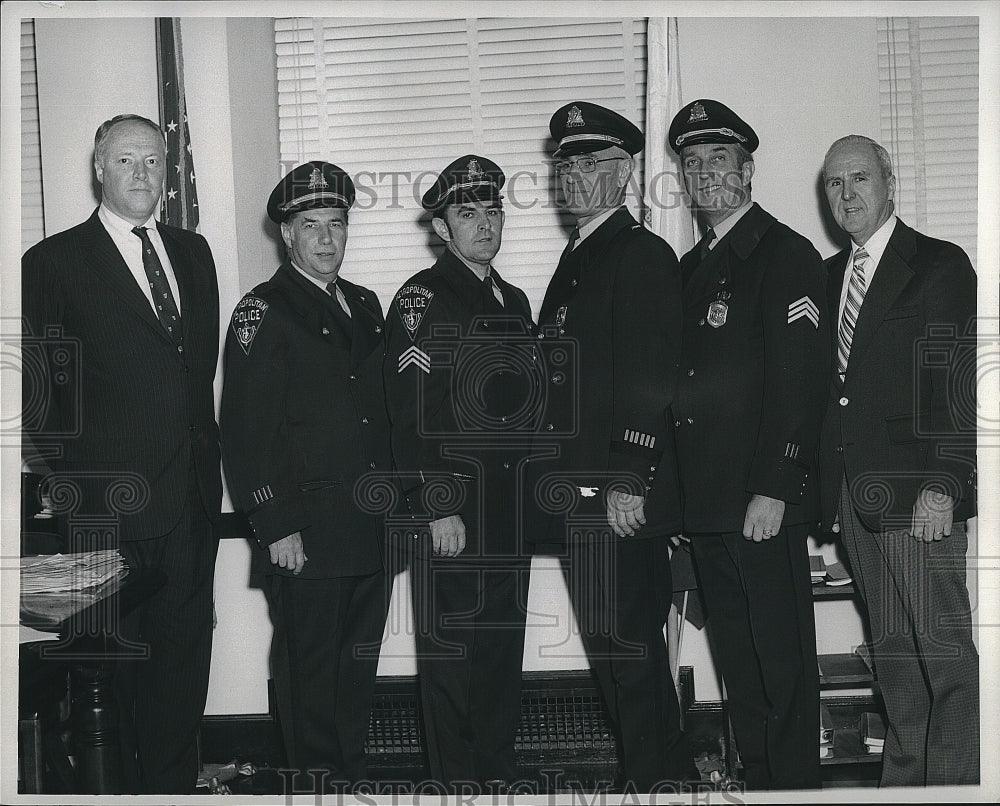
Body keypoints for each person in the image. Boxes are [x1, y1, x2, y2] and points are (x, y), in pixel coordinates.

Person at [21, 113, 223, 793]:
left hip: (192, 504)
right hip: (112, 514)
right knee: (120, 680)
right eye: (127, 160)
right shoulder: (53, 261)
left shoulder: (193, 253)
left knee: (183, 669)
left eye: (154, 161)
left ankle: (173, 788)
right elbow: (42, 397)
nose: (143, 174)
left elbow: (195, 377)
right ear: (99, 170)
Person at [667, 99, 829, 790]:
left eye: (719, 160)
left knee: (781, 661)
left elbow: (800, 384)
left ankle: (792, 786)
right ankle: (760, 780)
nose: (705, 174)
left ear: (748, 169)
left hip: (758, 500)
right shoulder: (688, 265)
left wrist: (775, 485)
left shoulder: (784, 253)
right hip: (706, 504)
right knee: (737, 657)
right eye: (693, 163)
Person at [527, 101, 688, 791]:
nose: (575, 175)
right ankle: (655, 782)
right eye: (567, 164)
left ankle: (656, 785)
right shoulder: (581, 258)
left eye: (592, 163)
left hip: (614, 500)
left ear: (624, 171)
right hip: (580, 500)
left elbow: (652, 372)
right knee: (617, 662)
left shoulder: (639, 253)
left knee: (630, 663)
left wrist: (628, 475)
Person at [220, 161, 391, 790]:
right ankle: (314, 789)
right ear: (286, 235)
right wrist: (276, 524)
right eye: (310, 225)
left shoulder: (366, 305)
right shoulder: (262, 312)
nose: (326, 238)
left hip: (367, 528)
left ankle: (349, 784)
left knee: (355, 675)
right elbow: (246, 431)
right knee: (308, 677)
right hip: (307, 535)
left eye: (336, 224)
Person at [818, 135, 978, 787]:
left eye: (859, 177)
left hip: (918, 498)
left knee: (945, 663)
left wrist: (945, 482)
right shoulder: (827, 278)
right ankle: (904, 786)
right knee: (894, 662)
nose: (847, 193)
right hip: (855, 502)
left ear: (890, 182)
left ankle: (957, 788)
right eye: (834, 183)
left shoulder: (938, 265)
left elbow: (960, 384)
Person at [382, 155, 535, 790]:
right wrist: (435, 502)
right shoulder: (421, 299)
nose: (483, 224)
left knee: (501, 661)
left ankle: (497, 783)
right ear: (442, 228)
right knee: (452, 670)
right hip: (454, 517)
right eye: (467, 213)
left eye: (492, 210)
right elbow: (409, 411)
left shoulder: (514, 298)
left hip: (509, 513)